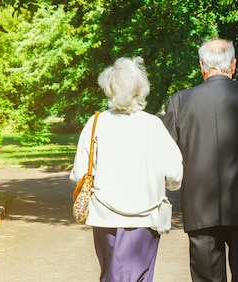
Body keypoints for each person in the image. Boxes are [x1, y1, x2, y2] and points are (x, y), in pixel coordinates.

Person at [162, 38, 238, 282]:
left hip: (199, 205)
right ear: (233, 65)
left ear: (202, 66)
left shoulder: (179, 102)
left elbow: (166, 155)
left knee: (206, 278)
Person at [70, 56, 183, 282]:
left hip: (104, 217)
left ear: (109, 90)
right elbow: (174, 173)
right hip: (144, 217)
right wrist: (166, 184)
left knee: (111, 274)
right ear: (140, 90)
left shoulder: (95, 123)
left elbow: (80, 172)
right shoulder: (152, 125)